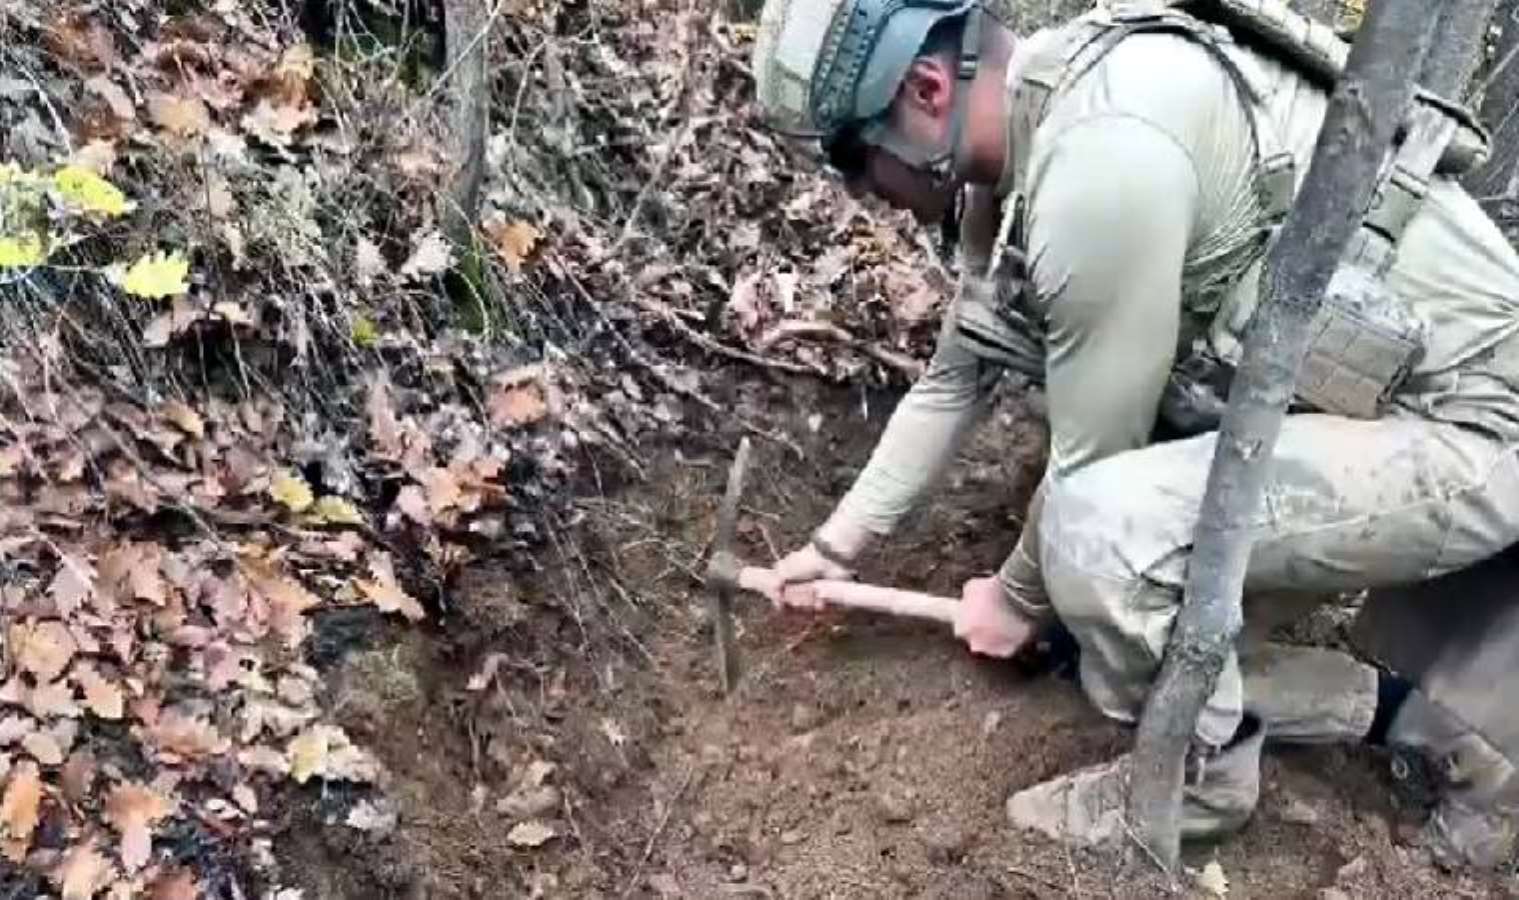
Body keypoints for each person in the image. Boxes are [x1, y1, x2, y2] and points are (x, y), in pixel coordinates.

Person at [747, 0, 1519, 868]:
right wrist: (836, 545)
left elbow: (1092, 473)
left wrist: (1015, 600)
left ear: (927, 89)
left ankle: (1193, 790)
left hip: (1477, 433)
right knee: (1119, 613)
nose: (863, 191)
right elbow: (957, 371)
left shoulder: (1102, 159)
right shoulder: (1033, 125)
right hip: (1360, 406)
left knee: (1104, 548)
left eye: (856, 162)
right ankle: (1423, 724)